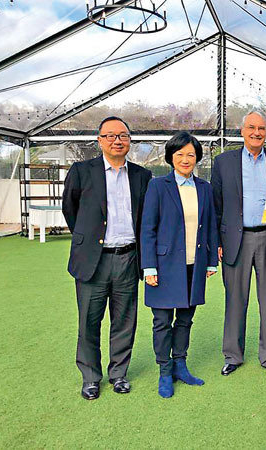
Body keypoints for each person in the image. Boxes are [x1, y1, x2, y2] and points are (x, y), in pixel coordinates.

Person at [62, 116, 152, 400]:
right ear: (99, 140)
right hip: (93, 260)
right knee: (89, 321)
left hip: (128, 257)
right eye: (110, 135)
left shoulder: (142, 175)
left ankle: (119, 374)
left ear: (129, 141)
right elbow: (70, 209)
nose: (117, 140)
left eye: (123, 135)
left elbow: (145, 216)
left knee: (125, 321)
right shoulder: (81, 171)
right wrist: (87, 240)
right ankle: (90, 377)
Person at [211, 111, 266, 378]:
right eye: (251, 128)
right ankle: (232, 355)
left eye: (261, 128)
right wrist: (218, 241)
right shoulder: (223, 162)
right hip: (236, 240)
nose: (257, 132)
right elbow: (216, 205)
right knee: (235, 300)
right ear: (242, 130)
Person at [140, 131, 218, 398]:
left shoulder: (205, 188)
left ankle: (180, 365)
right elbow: (147, 228)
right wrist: (149, 266)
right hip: (163, 266)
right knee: (162, 321)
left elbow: (210, 226)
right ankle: (164, 371)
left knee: (185, 319)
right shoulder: (157, 186)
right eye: (180, 154)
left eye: (191, 155)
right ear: (171, 157)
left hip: (193, 265)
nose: (186, 159)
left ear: (197, 158)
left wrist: (211, 262)